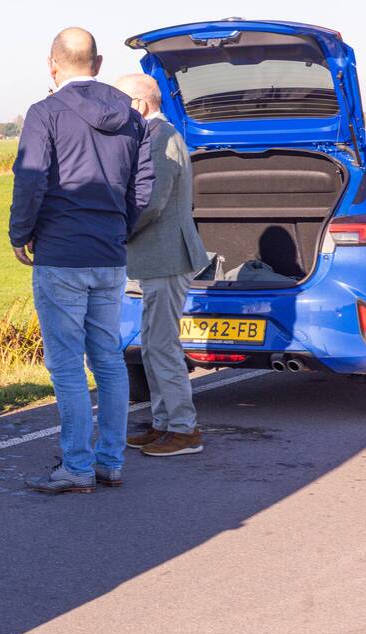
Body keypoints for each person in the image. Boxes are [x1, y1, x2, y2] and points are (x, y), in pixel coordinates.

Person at [10, 29, 153, 493]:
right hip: (109, 254)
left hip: (62, 253)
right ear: (99, 61)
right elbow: (143, 189)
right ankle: (110, 461)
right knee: (108, 359)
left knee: (68, 364)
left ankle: (76, 465)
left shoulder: (45, 113)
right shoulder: (133, 117)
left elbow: (31, 180)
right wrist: (118, 228)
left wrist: (20, 234)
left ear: (52, 63)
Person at [115, 74, 210, 457]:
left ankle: (184, 430)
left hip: (167, 256)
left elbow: (151, 202)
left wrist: (117, 233)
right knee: (153, 344)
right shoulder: (155, 136)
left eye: (122, 104)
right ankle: (163, 424)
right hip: (160, 256)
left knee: (162, 345)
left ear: (139, 104)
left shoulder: (160, 138)